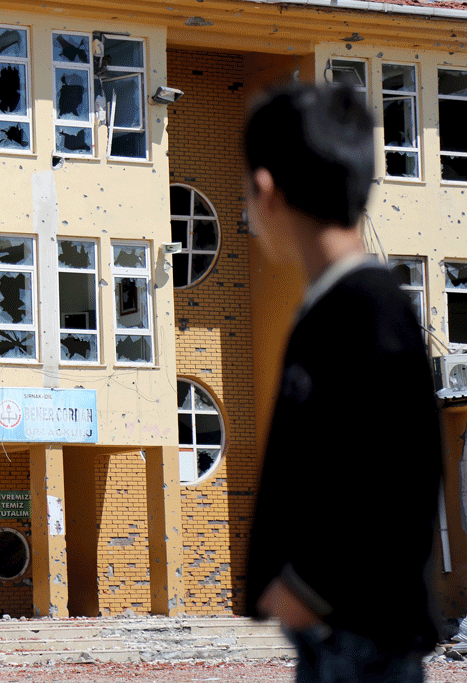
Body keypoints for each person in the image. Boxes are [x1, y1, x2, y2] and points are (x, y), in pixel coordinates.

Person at [244, 83, 443, 683]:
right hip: (337, 635)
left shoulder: (368, 309)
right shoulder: (333, 306)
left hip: (360, 639)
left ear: (266, 189)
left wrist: (307, 588)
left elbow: (399, 472)